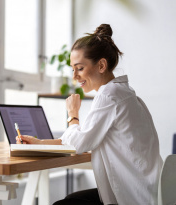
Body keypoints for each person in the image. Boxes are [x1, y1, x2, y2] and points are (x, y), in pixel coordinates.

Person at [16, 24, 163, 205]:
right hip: (148, 192)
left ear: (101, 65)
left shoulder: (109, 95)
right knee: (71, 200)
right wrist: (40, 143)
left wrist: (72, 114)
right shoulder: (125, 93)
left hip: (133, 197)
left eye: (80, 68)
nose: (75, 77)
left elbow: (78, 143)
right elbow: (86, 137)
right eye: (73, 69)